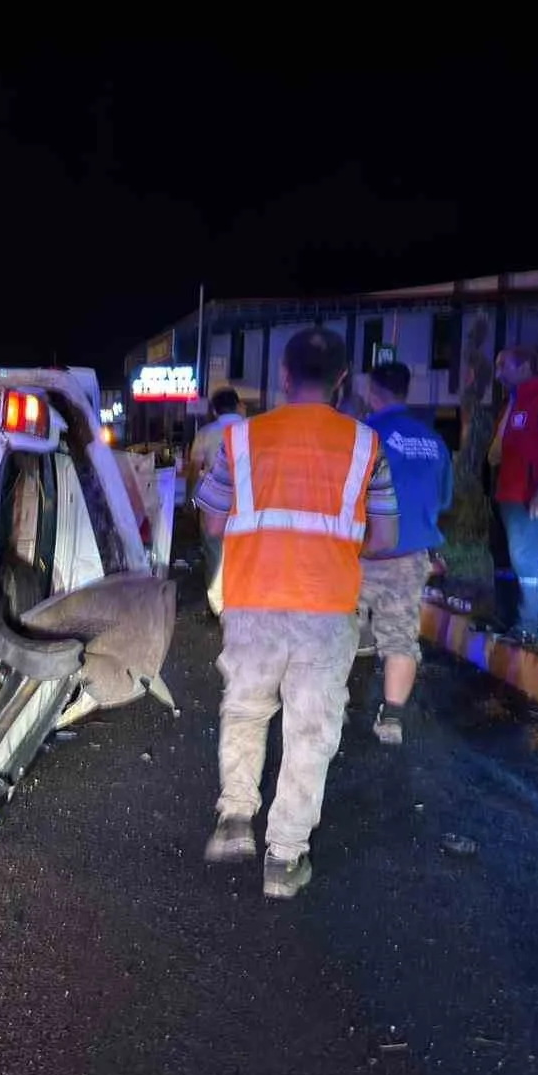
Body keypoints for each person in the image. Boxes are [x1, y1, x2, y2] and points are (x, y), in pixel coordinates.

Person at [195, 327, 399, 899]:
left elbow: (211, 521)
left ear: (283, 377)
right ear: (341, 382)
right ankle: (284, 858)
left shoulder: (242, 440)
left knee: (246, 709)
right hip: (327, 608)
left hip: (254, 602)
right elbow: (384, 535)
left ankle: (235, 819)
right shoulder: (365, 445)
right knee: (310, 729)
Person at [359, 362, 453, 746]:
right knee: (400, 636)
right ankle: (392, 718)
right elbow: (444, 498)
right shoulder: (433, 440)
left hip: (361, 553)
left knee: (336, 629)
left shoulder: (365, 435)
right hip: (411, 554)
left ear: (372, 391)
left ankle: (330, 701)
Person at [488, 346, 538, 640]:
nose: (497, 374)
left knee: (529, 560)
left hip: (529, 496)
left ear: (524, 367)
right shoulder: (517, 400)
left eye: (503, 366)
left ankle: (530, 626)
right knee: (512, 558)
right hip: (510, 495)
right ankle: (513, 619)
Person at [187, 388, 246, 618]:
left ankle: (219, 606)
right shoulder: (251, 430)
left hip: (213, 501)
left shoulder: (206, 433)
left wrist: (191, 497)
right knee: (240, 550)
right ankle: (240, 600)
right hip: (245, 501)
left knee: (214, 551)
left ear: (213, 409)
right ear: (238, 405)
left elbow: (194, 469)